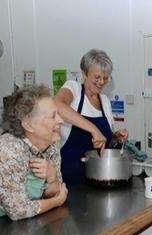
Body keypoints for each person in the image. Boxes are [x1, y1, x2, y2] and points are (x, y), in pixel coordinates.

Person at [0, 84, 68, 221]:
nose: (61, 120)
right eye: (53, 116)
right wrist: (55, 203)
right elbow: (18, 211)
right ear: (28, 125)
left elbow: (53, 192)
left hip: (3, 221)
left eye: (58, 113)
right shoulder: (7, 151)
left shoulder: (51, 143)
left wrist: (52, 177)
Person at [55, 49, 128, 185]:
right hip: (69, 179)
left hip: (98, 178)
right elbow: (57, 106)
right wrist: (93, 129)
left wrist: (117, 137)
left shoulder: (105, 101)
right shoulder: (74, 89)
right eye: (97, 77)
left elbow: (106, 140)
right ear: (85, 73)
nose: (101, 82)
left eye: (105, 78)